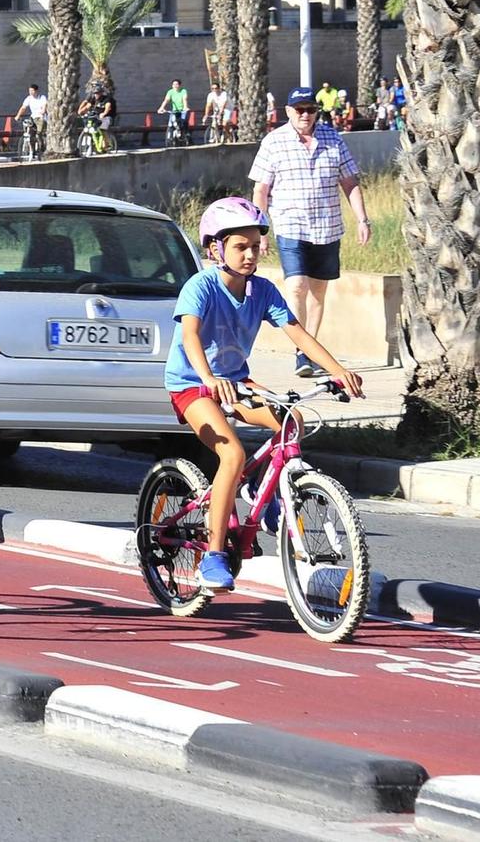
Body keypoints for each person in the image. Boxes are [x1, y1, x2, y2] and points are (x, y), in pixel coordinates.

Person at [168, 197, 364, 590]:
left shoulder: (262, 290)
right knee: (233, 453)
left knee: (293, 421)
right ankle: (214, 555)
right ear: (215, 249)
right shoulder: (200, 286)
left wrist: (338, 370)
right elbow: (190, 335)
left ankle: (265, 490)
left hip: (237, 381)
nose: (250, 254)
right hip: (193, 385)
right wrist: (208, 377)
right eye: (240, 246)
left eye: (256, 246)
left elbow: (297, 333)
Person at [249, 85, 371, 379]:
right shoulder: (274, 142)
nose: (305, 115)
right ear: (288, 112)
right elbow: (261, 189)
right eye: (299, 110)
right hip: (291, 225)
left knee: (318, 291)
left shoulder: (332, 138)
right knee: (296, 287)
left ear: (317, 112)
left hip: (327, 227)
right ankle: (300, 350)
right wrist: (261, 231)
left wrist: (363, 219)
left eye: (310, 110)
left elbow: (350, 182)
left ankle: (310, 350)